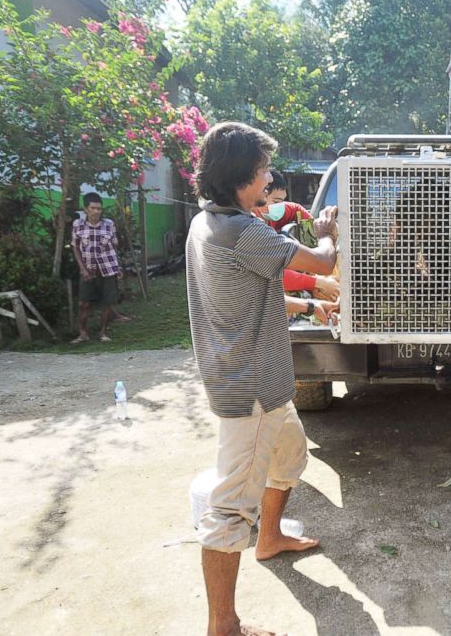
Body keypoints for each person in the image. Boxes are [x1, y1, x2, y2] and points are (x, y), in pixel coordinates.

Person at [187, 121, 339, 636]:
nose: (269, 179)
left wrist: (306, 304)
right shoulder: (240, 229)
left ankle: (269, 537)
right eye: (263, 171)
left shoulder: (209, 222)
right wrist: (327, 232)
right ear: (243, 177)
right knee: (229, 511)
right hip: (249, 388)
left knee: (291, 458)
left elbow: (248, 294)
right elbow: (320, 260)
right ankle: (223, 625)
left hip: (262, 382)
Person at [252, 169, 340, 301]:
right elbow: (273, 273)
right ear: (261, 195)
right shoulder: (252, 229)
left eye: (283, 200)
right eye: (276, 201)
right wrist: (317, 282)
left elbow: (295, 210)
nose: (281, 206)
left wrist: (313, 228)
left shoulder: (272, 213)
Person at [71, 192, 121, 344]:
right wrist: (82, 268)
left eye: (99, 209)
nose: (96, 212)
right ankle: (83, 332)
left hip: (108, 268)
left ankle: (103, 332)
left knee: (107, 302)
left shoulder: (109, 224)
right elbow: (75, 247)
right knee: (83, 303)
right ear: (86, 209)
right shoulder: (77, 225)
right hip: (88, 269)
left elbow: (115, 245)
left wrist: (119, 267)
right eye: (93, 208)